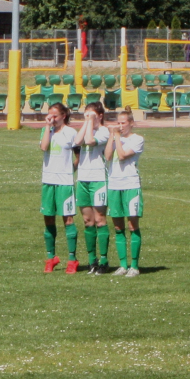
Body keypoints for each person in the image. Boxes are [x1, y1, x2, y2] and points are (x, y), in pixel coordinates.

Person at [104, 106, 144, 277]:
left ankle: (134, 265)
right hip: (114, 185)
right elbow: (107, 156)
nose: (120, 126)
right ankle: (122, 265)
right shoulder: (115, 138)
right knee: (118, 226)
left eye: (123, 123)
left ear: (131, 123)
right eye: (118, 123)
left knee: (132, 225)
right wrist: (111, 137)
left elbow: (121, 155)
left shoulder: (137, 139)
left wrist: (118, 138)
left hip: (130, 184)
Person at [40, 102, 79, 273]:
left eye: (55, 116)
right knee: (48, 218)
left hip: (65, 182)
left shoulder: (71, 133)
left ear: (64, 116)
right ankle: (51, 257)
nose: (52, 119)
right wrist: (47, 127)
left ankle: (72, 259)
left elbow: (79, 156)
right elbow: (44, 147)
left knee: (68, 219)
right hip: (48, 180)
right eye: (50, 115)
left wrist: (71, 170)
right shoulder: (46, 131)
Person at [73, 101, 110, 274]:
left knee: (100, 219)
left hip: (98, 179)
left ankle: (104, 259)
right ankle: (91, 260)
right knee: (88, 220)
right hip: (83, 179)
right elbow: (77, 141)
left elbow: (89, 140)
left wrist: (90, 121)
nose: (88, 118)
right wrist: (87, 121)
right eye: (85, 114)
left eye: (92, 115)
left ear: (100, 116)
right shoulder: (86, 127)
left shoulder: (104, 131)